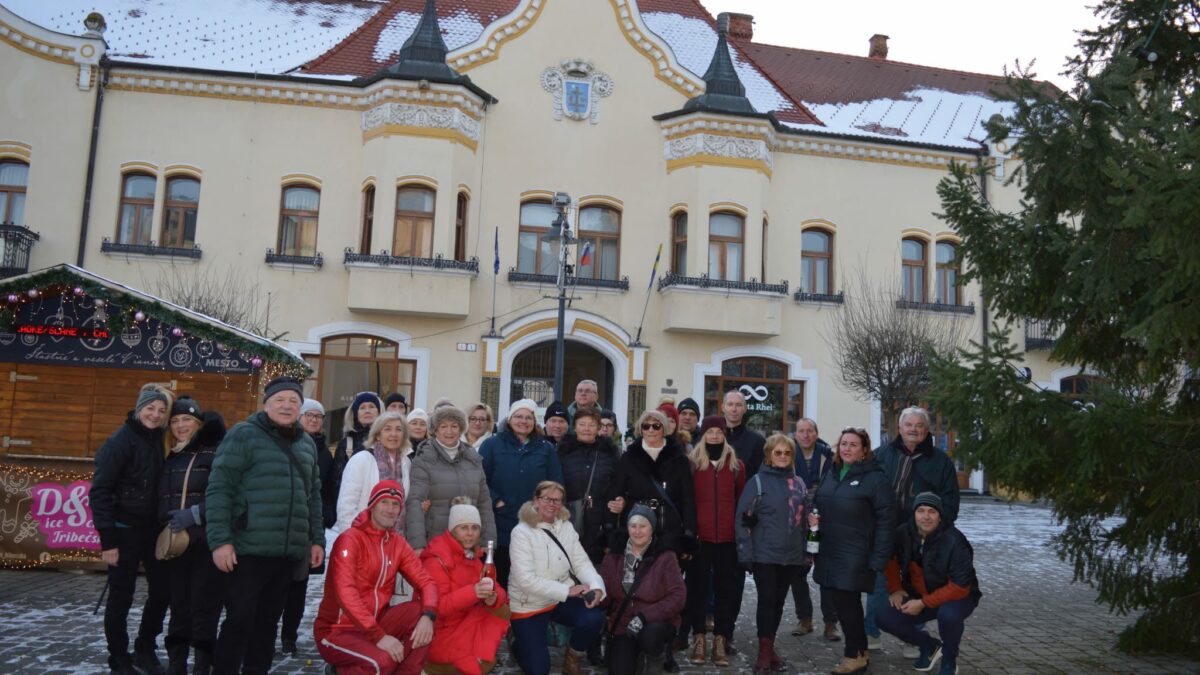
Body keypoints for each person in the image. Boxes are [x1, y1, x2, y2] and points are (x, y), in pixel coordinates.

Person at [206, 376, 325, 675]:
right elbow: (220, 488)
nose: (287, 406)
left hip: (286, 552)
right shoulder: (243, 435)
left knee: (268, 623)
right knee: (239, 620)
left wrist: (316, 539)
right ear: (267, 404)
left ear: (300, 407)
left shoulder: (306, 443)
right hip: (248, 548)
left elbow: (313, 496)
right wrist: (220, 541)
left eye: (293, 401)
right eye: (280, 400)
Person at [314, 480, 439, 675]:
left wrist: (428, 615)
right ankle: (339, 671)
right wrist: (379, 637)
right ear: (372, 505)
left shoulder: (396, 543)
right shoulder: (350, 539)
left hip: (376, 623)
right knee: (383, 661)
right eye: (384, 502)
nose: (390, 509)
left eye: (395, 504)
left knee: (419, 614)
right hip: (338, 630)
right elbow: (345, 593)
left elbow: (426, 581)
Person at [92, 383, 174, 675]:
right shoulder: (120, 442)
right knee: (121, 597)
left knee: (163, 591)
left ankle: (144, 647)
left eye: (161, 411)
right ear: (140, 408)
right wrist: (108, 540)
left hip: (154, 531)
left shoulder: (161, 439)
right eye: (150, 408)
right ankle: (118, 657)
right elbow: (100, 492)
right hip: (123, 530)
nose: (155, 415)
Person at [865, 407, 960, 650]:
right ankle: (871, 632)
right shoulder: (882, 455)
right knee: (877, 582)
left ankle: (912, 637)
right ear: (899, 428)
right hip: (884, 532)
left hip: (920, 537)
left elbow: (950, 501)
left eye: (919, 426)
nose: (913, 429)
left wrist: (936, 531)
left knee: (916, 585)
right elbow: (867, 492)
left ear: (926, 431)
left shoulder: (940, 462)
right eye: (909, 425)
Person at [811, 427, 896, 675]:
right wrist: (813, 518)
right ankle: (861, 651)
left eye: (853, 445)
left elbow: (886, 521)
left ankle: (853, 655)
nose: (847, 448)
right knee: (844, 604)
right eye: (844, 444)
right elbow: (819, 502)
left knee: (847, 603)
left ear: (864, 451)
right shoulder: (832, 472)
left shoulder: (876, 479)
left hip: (856, 553)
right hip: (829, 549)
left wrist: (879, 558)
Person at [157, 397, 226, 675]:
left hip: (205, 540)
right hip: (176, 542)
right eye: (175, 421)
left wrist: (195, 514)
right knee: (179, 606)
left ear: (199, 423)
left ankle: (202, 664)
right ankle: (176, 663)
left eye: (187, 420)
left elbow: (226, 496)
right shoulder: (170, 455)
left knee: (204, 605)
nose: (181, 425)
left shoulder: (215, 452)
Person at [509, 481, 607, 675]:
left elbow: (581, 563)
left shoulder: (566, 527)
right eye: (547, 499)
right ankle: (517, 642)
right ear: (536, 500)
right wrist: (567, 591)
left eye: (558, 500)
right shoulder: (521, 532)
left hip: (559, 600)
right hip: (530, 604)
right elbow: (525, 580)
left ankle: (572, 658)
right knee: (539, 669)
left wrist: (596, 586)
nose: (552, 504)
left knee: (594, 617)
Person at [877, 492, 981, 675]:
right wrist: (896, 588)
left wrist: (924, 603)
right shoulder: (903, 532)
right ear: (914, 514)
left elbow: (960, 585)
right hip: (921, 593)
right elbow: (890, 559)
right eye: (921, 511)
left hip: (959, 596)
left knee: (948, 615)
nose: (926, 516)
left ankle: (949, 657)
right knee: (884, 617)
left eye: (932, 511)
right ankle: (930, 646)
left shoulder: (955, 541)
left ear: (939, 516)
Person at [735, 434, 808, 675]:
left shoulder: (799, 484)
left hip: (791, 555)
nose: (783, 456)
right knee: (767, 601)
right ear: (768, 455)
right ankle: (763, 650)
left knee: (778, 603)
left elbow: (804, 522)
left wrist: (806, 553)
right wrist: (745, 552)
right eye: (778, 452)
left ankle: (770, 645)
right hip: (764, 554)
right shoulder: (756, 483)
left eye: (787, 453)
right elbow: (742, 520)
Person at [420, 497, 510, 675]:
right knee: (475, 666)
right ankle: (436, 666)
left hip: (464, 624)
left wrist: (493, 597)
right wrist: (473, 592)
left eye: (475, 528)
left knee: (501, 608)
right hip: (441, 632)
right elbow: (438, 607)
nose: (470, 533)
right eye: (464, 528)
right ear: (453, 530)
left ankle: (470, 658)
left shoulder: (472, 556)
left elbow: (497, 588)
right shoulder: (436, 559)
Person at [685, 416, 745, 667]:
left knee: (726, 591)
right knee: (697, 589)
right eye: (709, 431)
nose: (714, 436)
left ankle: (721, 638)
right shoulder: (692, 464)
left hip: (728, 538)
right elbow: (686, 499)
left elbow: (741, 499)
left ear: (724, 435)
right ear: (703, 435)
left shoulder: (736, 465)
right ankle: (698, 637)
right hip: (700, 537)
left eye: (718, 432)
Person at [599, 505, 686, 675]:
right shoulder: (614, 556)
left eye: (643, 526)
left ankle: (656, 656)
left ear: (652, 529)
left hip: (656, 622)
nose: (637, 531)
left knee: (650, 636)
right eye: (633, 526)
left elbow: (678, 596)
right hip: (624, 623)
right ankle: (635, 657)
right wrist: (594, 596)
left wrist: (645, 616)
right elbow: (606, 592)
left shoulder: (666, 556)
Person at [406, 405, 497, 554]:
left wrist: (488, 541)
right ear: (435, 430)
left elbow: (484, 502)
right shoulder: (424, 458)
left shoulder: (472, 458)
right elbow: (415, 502)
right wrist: (417, 544)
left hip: (468, 544)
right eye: (444, 426)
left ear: (461, 429)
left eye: (454, 426)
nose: (449, 431)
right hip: (435, 542)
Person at [607, 409, 697, 560]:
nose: (651, 430)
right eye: (646, 426)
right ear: (640, 429)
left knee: (666, 578)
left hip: (669, 528)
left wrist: (689, 534)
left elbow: (687, 499)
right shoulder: (629, 458)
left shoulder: (679, 459)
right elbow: (615, 493)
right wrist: (610, 530)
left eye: (656, 426)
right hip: (637, 526)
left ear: (665, 429)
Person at [280, 398, 332, 657]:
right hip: (281, 526)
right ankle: (266, 634)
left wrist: (325, 517)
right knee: (275, 585)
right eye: (308, 415)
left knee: (298, 587)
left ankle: (289, 635)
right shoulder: (286, 442)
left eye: (318, 416)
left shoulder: (325, 452)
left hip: (309, 526)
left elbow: (329, 488)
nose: (313, 420)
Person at [789, 417, 839, 641]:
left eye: (810, 431)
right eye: (801, 431)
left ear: (816, 433)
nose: (806, 435)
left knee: (826, 571)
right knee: (798, 572)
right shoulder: (787, 452)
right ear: (796, 434)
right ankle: (805, 618)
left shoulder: (828, 455)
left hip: (824, 518)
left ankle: (831, 622)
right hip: (797, 519)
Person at [556, 406, 620, 565]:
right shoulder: (562, 451)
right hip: (568, 515)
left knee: (594, 564)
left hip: (600, 518)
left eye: (591, 425)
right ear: (574, 426)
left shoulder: (610, 453)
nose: (586, 429)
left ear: (599, 428)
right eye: (582, 424)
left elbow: (616, 485)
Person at [336, 412, 411, 534]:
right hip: (363, 537)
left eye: (399, 429)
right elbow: (346, 507)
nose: (394, 434)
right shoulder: (361, 460)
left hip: (396, 540)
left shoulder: (406, 462)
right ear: (377, 435)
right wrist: (352, 538)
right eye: (387, 429)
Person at [331, 391, 383, 516]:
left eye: (371, 407)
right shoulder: (346, 443)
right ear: (355, 414)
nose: (367, 411)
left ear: (379, 412)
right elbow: (337, 481)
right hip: (354, 510)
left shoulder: (388, 441)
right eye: (362, 408)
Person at [723, 390, 766, 477]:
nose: (734, 409)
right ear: (723, 407)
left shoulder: (757, 441)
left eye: (738, 405)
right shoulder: (712, 438)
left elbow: (762, 475)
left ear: (745, 409)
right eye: (730, 404)